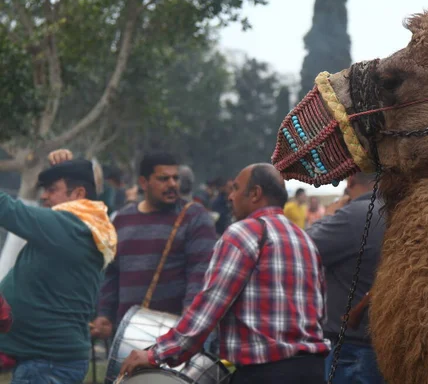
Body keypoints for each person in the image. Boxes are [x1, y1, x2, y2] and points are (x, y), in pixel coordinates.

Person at [120, 163, 330, 384]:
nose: (230, 196)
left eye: (236, 189)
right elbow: (319, 313)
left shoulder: (245, 233)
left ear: (256, 194)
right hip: (312, 371)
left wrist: (155, 354)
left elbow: (209, 307)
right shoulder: (304, 239)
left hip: (265, 374)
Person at [0, 151, 117, 384]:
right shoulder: (89, 225)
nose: (44, 197)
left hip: (46, 364)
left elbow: (6, 209)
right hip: (47, 361)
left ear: (78, 194)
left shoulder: (69, 225)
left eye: (52, 190)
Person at [85, 152, 218, 340]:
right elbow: (112, 273)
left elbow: (200, 270)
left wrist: (188, 324)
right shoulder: (122, 219)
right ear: (143, 183)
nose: (172, 184)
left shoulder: (195, 217)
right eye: (163, 179)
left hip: (173, 334)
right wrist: (105, 315)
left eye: (175, 178)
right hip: (127, 333)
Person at [306, 173, 386, 384]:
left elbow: (303, 247)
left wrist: (330, 214)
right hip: (386, 344)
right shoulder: (397, 210)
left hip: (352, 348)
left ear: (349, 182)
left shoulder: (355, 215)